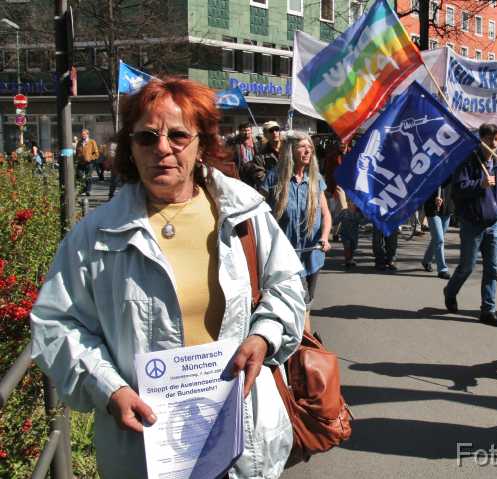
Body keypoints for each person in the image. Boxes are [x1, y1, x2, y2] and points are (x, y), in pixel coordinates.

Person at [30, 77, 306, 479]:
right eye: (146, 137)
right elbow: (56, 324)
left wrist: (263, 335)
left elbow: (287, 285)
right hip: (144, 447)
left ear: (202, 143)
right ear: (130, 146)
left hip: (239, 440)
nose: (162, 148)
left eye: (178, 135)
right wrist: (111, 389)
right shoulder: (95, 236)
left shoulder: (245, 215)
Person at [444, 123, 497, 327]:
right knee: (467, 267)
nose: (495, 143)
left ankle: (488, 310)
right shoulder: (468, 160)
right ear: (482, 139)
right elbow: (458, 188)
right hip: (472, 223)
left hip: (492, 224)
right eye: (491, 139)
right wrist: (481, 184)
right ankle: (450, 291)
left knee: (492, 268)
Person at [261, 132, 332, 313]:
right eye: (303, 147)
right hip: (284, 256)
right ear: (291, 150)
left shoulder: (316, 181)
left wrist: (324, 238)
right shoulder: (274, 178)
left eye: (310, 148)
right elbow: (258, 212)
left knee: (306, 304)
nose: (308, 151)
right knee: (299, 301)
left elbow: (326, 214)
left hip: (312, 255)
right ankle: (301, 338)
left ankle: (302, 337)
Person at [421, 178, 454, 279]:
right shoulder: (433, 167)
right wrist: (433, 198)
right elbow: (424, 187)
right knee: (439, 239)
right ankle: (442, 270)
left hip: (447, 209)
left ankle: (426, 260)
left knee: (436, 239)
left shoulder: (454, 168)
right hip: (432, 210)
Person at [251, 120, 283, 189]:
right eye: (271, 131)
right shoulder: (260, 155)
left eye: (276, 130)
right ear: (265, 134)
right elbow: (259, 177)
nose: (274, 133)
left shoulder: (288, 150)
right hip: (272, 191)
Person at [338, 200, 364, 269]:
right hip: (345, 233)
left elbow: (363, 222)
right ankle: (347, 261)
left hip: (354, 233)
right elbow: (336, 219)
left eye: (353, 202)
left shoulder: (359, 213)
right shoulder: (344, 212)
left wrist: (369, 218)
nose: (351, 203)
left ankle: (351, 259)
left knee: (353, 247)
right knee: (347, 246)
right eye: (349, 201)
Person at [75, 129, 100, 195]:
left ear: (87, 134)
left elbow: (96, 153)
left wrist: (90, 158)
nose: (82, 136)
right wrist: (77, 158)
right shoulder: (79, 142)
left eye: (84, 134)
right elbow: (77, 152)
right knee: (79, 175)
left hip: (89, 163)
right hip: (81, 162)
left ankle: (88, 190)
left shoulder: (92, 142)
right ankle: (83, 188)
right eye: (81, 134)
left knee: (88, 176)